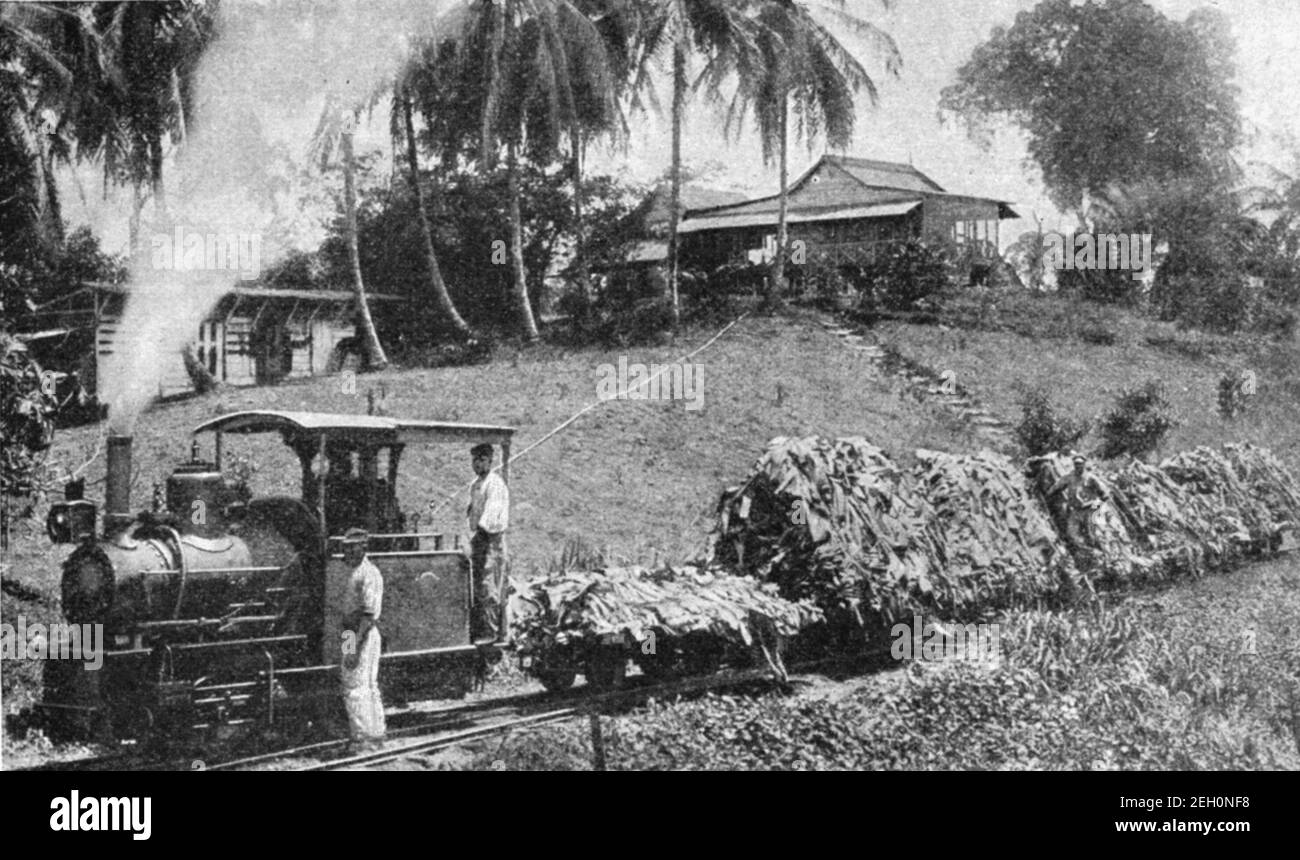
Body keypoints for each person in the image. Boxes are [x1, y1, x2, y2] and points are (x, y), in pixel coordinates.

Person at [339, 527, 385, 748]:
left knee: (355, 686)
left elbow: (368, 615)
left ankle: (362, 738)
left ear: (363, 547)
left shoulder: (369, 573)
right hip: (351, 632)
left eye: (351, 547)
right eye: (345, 547)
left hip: (361, 633)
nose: (347, 551)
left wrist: (354, 646)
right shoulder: (355, 572)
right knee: (363, 684)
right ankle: (374, 734)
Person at [466, 443, 509, 643]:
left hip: (491, 541)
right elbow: (472, 515)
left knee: (488, 587)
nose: (478, 464)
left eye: (482, 460)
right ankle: (477, 629)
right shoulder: (476, 485)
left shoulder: (495, 484)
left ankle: (491, 633)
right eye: (475, 460)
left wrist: (478, 536)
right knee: (475, 585)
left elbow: (490, 516)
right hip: (478, 540)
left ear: (490, 461)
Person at [1048, 454, 1109, 548]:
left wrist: (1096, 505)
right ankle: (1086, 552)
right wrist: (1049, 493)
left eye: (1080, 464)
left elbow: (1105, 494)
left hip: (1090, 510)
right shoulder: (1069, 477)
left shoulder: (1090, 478)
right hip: (1075, 510)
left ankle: (1102, 555)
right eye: (1076, 464)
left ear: (1084, 464)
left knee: (1091, 534)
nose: (1078, 466)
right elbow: (1057, 486)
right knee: (1072, 533)